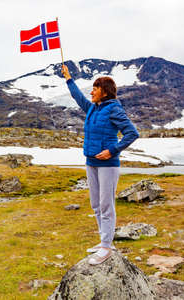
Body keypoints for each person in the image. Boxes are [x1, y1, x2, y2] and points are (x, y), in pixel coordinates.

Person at [61, 65, 139, 265]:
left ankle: (106, 247)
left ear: (104, 91)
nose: (92, 91)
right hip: (91, 163)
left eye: (95, 88)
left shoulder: (113, 109)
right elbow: (78, 98)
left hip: (108, 165)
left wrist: (113, 150)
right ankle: (104, 241)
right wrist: (69, 79)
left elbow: (132, 133)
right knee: (96, 205)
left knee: (106, 206)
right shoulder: (93, 109)